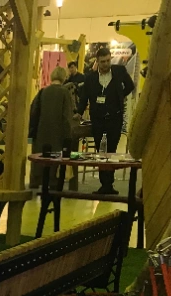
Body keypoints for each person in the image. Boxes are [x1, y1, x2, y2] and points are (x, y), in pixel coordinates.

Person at [77, 46, 135, 194]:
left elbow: (130, 86)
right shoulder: (90, 78)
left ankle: (109, 184)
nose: (106, 64)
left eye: (108, 60)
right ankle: (104, 184)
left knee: (112, 151)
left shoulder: (119, 71)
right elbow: (84, 97)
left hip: (114, 118)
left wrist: (119, 96)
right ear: (97, 61)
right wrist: (79, 112)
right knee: (100, 152)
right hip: (98, 119)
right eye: (103, 61)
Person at [28, 66, 76, 190]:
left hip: (41, 132)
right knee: (54, 161)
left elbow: (33, 112)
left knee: (40, 158)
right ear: (64, 77)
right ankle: (52, 184)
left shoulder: (42, 92)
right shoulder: (65, 93)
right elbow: (66, 117)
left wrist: (32, 132)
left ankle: (36, 181)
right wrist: (68, 137)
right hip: (57, 134)